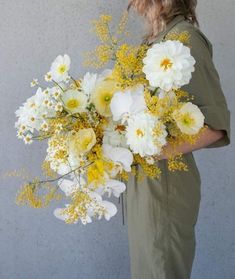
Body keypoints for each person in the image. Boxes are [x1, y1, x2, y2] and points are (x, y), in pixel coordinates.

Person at [123, 1, 231, 278]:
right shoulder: (154, 40)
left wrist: (153, 151)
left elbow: (216, 127)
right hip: (142, 184)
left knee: (161, 270)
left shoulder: (185, 38)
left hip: (165, 186)